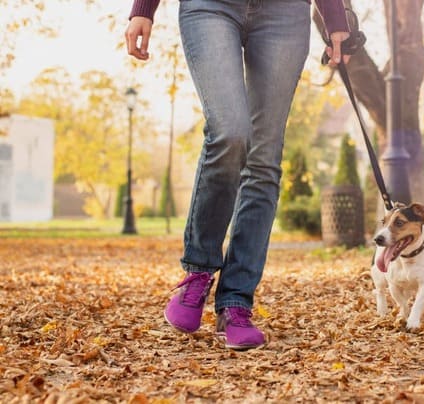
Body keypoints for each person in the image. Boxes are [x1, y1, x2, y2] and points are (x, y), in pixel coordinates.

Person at [125, 0, 349, 350]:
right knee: (230, 132)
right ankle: (199, 270)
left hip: (284, 14)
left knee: (264, 157)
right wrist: (143, 9)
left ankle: (236, 302)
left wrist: (336, 18)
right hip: (210, 7)